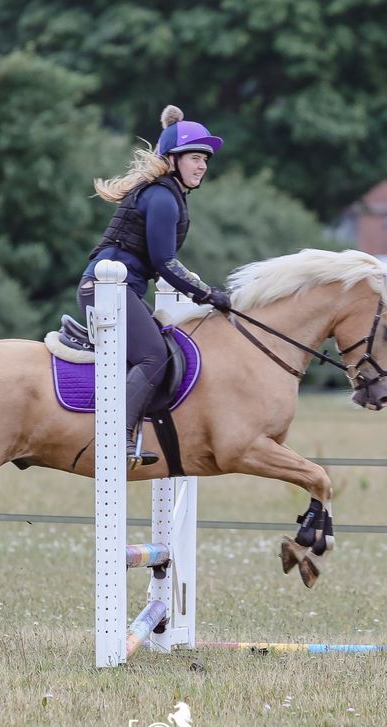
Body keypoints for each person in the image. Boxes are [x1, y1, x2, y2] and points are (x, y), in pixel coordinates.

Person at [78, 105, 232, 468]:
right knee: (155, 356)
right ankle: (115, 439)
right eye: (195, 158)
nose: (202, 166)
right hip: (106, 289)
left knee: (165, 345)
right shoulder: (162, 197)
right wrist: (206, 295)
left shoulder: (167, 193)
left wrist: (202, 291)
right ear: (173, 160)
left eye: (205, 160)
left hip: (116, 289)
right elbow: (165, 263)